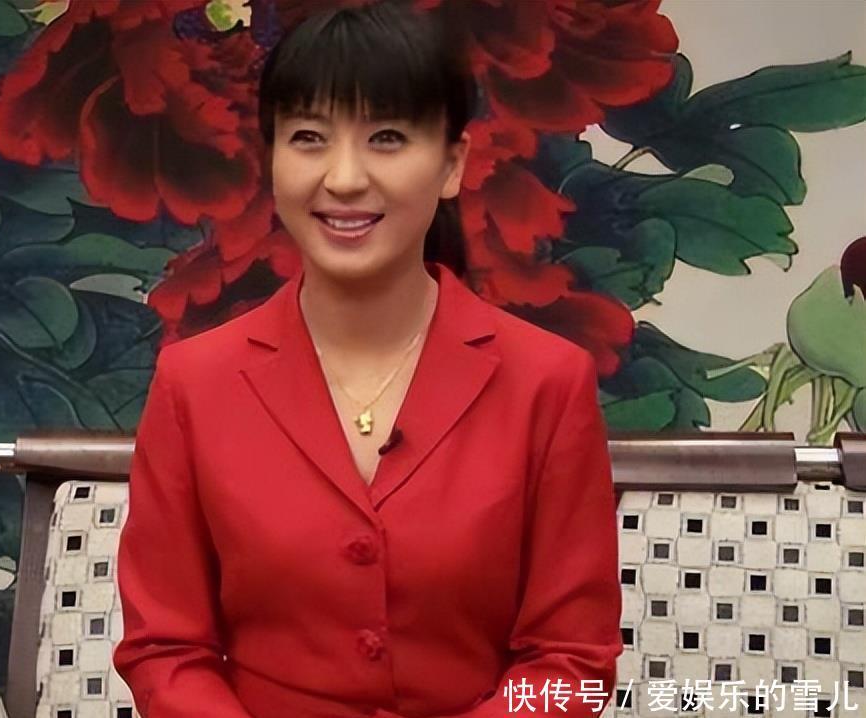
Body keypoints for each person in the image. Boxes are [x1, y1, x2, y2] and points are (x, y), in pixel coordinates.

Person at [112, 2, 623, 717]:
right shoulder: (194, 383)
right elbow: (166, 651)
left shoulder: (547, 382)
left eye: (387, 138)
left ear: (452, 165)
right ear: (272, 159)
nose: (345, 177)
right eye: (309, 138)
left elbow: (571, 661)